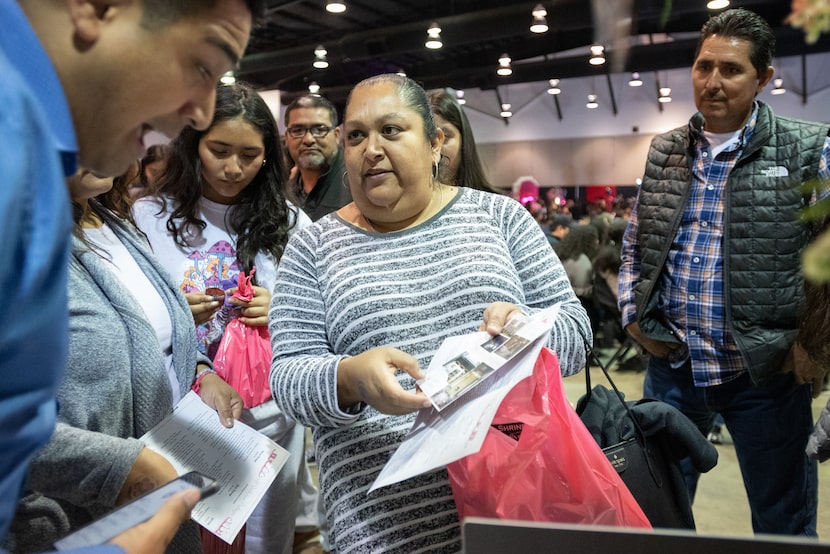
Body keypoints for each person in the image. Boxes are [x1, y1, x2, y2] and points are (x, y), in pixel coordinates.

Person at [268, 74, 591, 553]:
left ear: (435, 142)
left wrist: (527, 330)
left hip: (518, 501)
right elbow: (289, 378)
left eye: (391, 130)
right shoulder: (312, 247)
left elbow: (575, 330)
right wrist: (350, 378)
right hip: (383, 524)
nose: (370, 149)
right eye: (356, 135)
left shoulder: (500, 218)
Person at [0, 0, 262, 550]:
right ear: (97, 9)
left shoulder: (40, 168)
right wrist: (120, 469)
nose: (200, 110)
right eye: (203, 64)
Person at [618, 8, 830, 536]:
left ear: (763, 79)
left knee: (783, 524)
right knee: (657, 514)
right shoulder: (666, 149)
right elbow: (636, 241)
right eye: (703, 66)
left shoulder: (809, 148)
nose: (713, 82)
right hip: (674, 369)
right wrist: (631, 314)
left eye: (731, 70)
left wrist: (816, 348)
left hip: (764, 373)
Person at [7, 169, 244, 553]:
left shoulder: (112, 223)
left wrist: (200, 369)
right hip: (63, 525)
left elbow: (150, 335)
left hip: (149, 510)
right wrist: (121, 466)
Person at [133, 82, 317, 554]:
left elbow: (321, 323)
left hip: (269, 418)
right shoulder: (149, 217)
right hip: (181, 416)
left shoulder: (293, 225)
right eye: (219, 150)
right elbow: (128, 317)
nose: (234, 168)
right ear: (192, 144)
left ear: (268, 157)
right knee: (184, 534)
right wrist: (170, 309)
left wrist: (283, 309)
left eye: (250, 155)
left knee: (261, 539)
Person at [284, 94, 351, 221]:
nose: (308, 139)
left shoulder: (358, 186)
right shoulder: (284, 193)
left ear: (337, 135)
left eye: (319, 130)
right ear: (287, 138)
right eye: (298, 130)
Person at [427, 89, 497, 192]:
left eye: (445, 136)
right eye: (427, 138)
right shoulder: (404, 206)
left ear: (463, 140)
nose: (436, 147)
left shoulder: (493, 205)